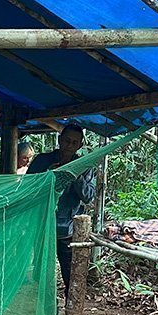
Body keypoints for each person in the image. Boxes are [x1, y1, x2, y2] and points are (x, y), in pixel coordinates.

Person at [28, 123, 96, 300]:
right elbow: (28, 188)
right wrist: (47, 176)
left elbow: (88, 196)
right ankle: (45, 309)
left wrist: (76, 176)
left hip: (68, 231)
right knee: (42, 273)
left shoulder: (85, 166)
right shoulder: (42, 161)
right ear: (59, 140)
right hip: (43, 226)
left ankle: (70, 312)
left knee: (70, 276)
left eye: (74, 143)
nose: (69, 146)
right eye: (66, 141)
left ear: (80, 145)